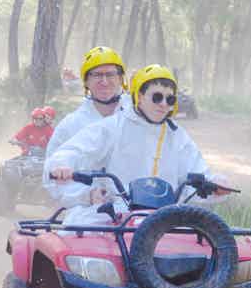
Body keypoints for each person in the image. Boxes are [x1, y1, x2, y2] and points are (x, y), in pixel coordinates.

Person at [45, 64, 228, 226]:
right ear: (139, 96)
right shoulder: (113, 126)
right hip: (112, 216)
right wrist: (63, 165)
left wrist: (215, 185)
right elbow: (74, 150)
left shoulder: (178, 136)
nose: (163, 104)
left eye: (169, 99)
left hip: (165, 221)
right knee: (76, 245)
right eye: (157, 97)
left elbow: (196, 177)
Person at [43, 46, 131, 206]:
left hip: (139, 212)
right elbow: (51, 178)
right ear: (86, 81)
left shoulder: (139, 117)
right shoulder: (70, 125)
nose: (104, 81)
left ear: (121, 79)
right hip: (87, 216)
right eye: (97, 75)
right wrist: (85, 196)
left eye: (110, 74)